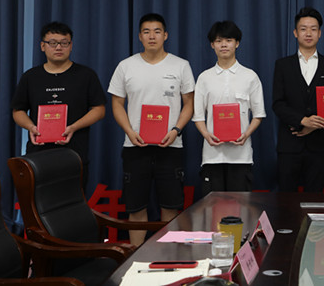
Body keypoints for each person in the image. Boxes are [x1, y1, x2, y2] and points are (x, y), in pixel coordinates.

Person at [108, 13, 194, 246]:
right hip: (135, 146)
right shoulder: (126, 66)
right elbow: (117, 104)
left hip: (171, 146)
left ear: (165, 35)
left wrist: (176, 129)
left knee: (171, 207)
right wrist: (129, 131)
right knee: (136, 207)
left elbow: (189, 103)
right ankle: (135, 256)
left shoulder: (181, 65)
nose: (152, 36)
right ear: (140, 36)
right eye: (146, 32)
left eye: (157, 31)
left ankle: (169, 257)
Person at [11, 21, 106, 189]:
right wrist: (31, 127)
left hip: (74, 153)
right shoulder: (30, 77)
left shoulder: (86, 75)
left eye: (64, 43)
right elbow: (18, 111)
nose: (58, 47)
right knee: (39, 201)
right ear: (42, 46)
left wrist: (74, 127)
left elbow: (99, 110)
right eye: (52, 43)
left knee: (73, 201)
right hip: (38, 154)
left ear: (71, 46)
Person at [192, 21, 266, 195]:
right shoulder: (204, 78)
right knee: (212, 208)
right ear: (212, 45)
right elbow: (198, 116)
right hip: (212, 156)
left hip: (241, 157)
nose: (223, 45)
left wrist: (246, 134)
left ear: (237, 43)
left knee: (240, 207)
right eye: (218, 41)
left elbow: (258, 114)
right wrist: (206, 135)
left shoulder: (250, 77)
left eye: (228, 40)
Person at [272, 7, 324, 192]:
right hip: (289, 145)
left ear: (320, 33)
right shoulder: (283, 65)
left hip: (318, 145)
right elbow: (278, 103)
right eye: (303, 29)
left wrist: (313, 125)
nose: (308, 33)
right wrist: (302, 121)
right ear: (295, 33)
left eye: (313, 29)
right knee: (286, 200)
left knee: (315, 199)